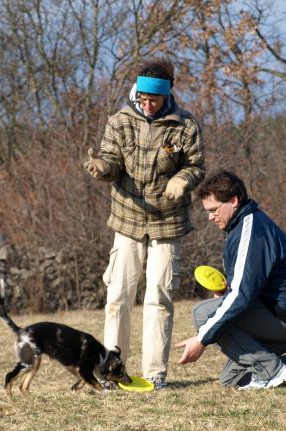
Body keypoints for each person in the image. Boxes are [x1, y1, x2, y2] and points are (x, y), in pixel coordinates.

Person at [83, 58, 205, 389]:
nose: (147, 104)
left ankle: (155, 374)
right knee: (118, 296)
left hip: (168, 223)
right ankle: (111, 371)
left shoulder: (185, 126)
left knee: (158, 297)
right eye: (143, 98)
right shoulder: (120, 121)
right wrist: (101, 168)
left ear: (167, 95)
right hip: (127, 219)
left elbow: (196, 165)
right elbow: (111, 160)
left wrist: (184, 179)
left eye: (153, 99)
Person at [175, 169, 286, 389]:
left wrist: (201, 339)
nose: (210, 217)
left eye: (213, 210)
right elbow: (248, 285)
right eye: (207, 211)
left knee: (202, 313)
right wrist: (225, 292)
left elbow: (241, 296)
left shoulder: (250, 229)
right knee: (232, 380)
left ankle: (271, 371)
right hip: (285, 315)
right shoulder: (242, 226)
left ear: (233, 200)